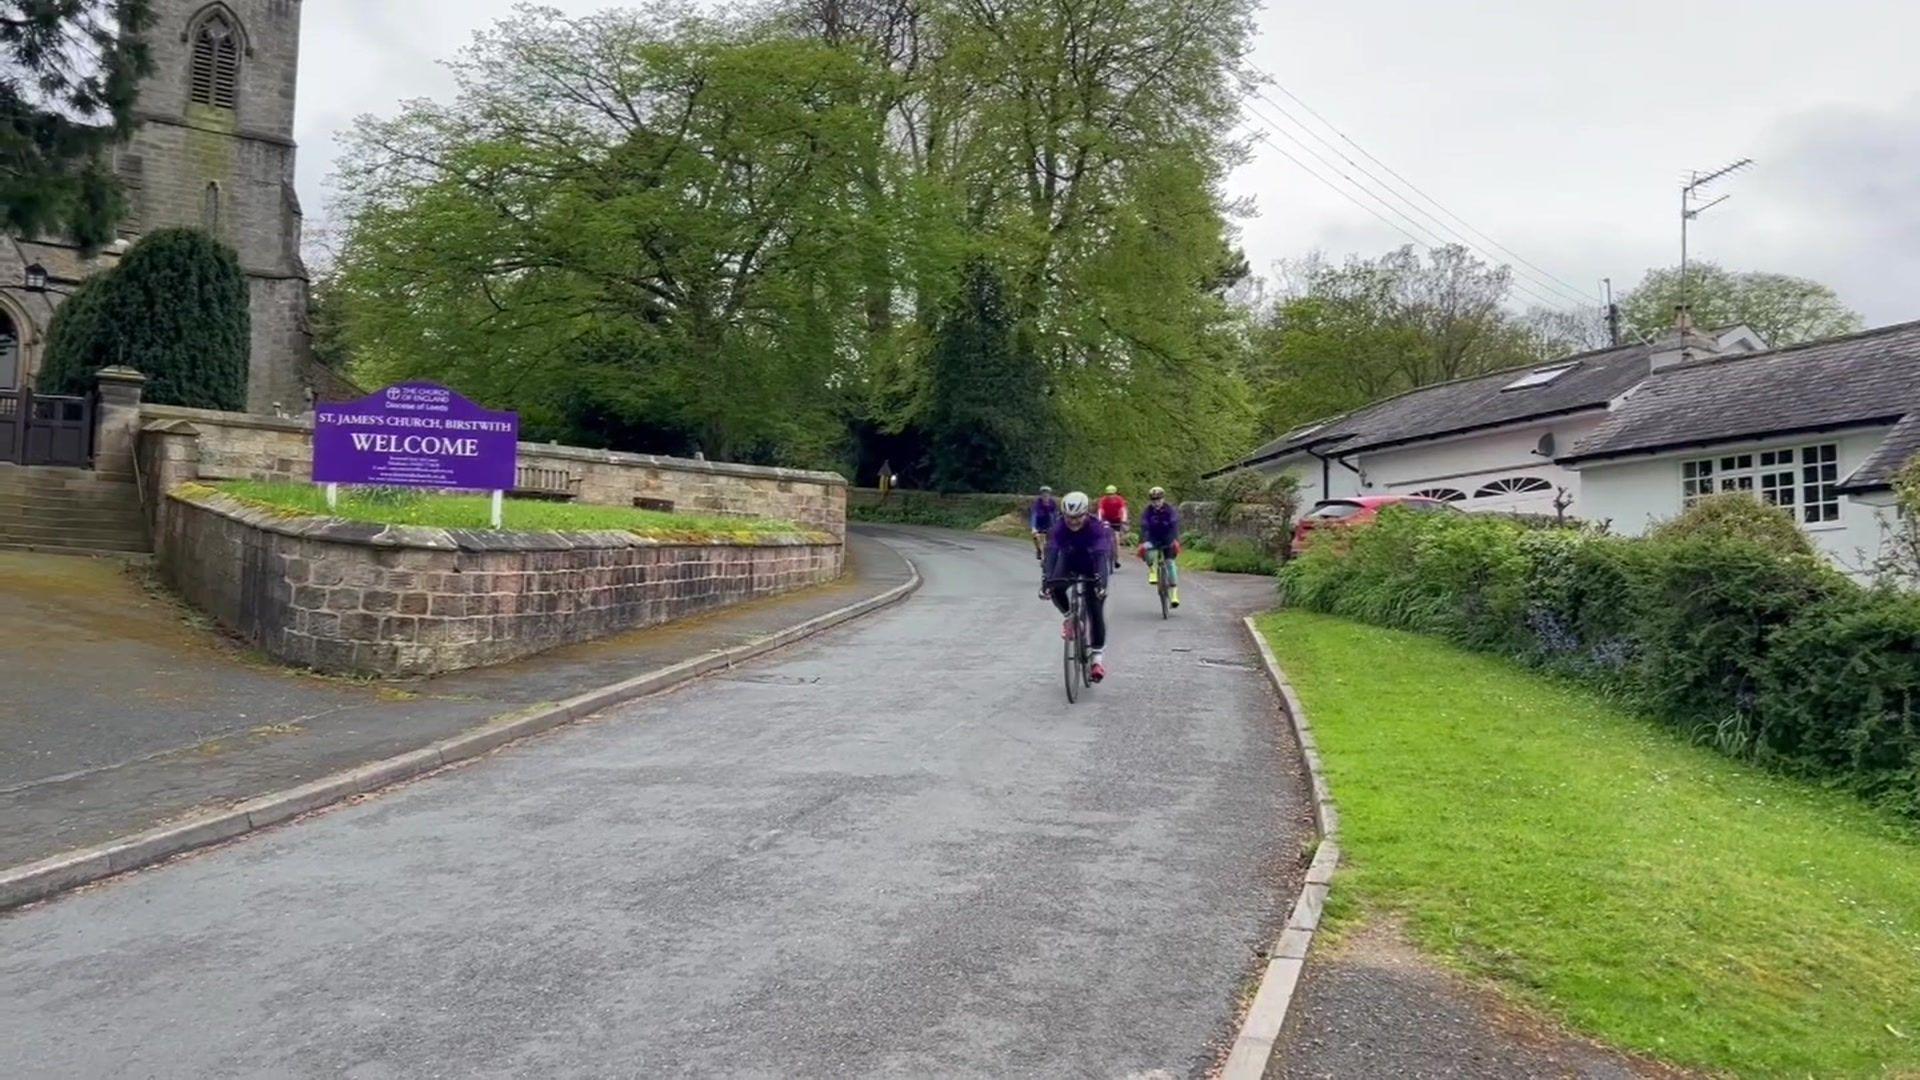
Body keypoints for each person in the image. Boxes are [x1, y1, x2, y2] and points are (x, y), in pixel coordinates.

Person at [1041, 491, 1113, 682]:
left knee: (1095, 607)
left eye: (1078, 517)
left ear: (1086, 514)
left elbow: (1101, 558)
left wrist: (1101, 584)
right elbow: (1052, 554)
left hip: (1092, 566)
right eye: (1069, 518)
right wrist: (1046, 580)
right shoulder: (1058, 528)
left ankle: (1097, 659)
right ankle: (1070, 618)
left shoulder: (1097, 529)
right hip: (1069, 562)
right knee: (1055, 586)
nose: (1073, 522)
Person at [1140, 485, 1181, 608]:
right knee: (1149, 553)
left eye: (1159, 499)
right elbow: (1144, 526)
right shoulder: (1147, 511)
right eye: (1153, 500)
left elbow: (1174, 524)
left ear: (1163, 499)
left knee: (1170, 563)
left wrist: (1174, 540)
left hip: (1168, 538)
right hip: (1153, 538)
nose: (1156, 502)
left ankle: (1174, 594)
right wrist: (1144, 540)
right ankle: (1152, 570)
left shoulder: (1170, 510)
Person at [1096, 485, 1129, 571]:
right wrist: (1100, 520)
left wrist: (1124, 520)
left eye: (1112, 494)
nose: (1110, 496)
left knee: (1116, 539)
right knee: (1103, 535)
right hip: (1106, 520)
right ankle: (1104, 553)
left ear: (1115, 494)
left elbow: (1123, 510)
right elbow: (1100, 511)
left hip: (1117, 520)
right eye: (1108, 494)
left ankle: (1116, 559)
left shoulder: (1119, 500)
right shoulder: (1103, 500)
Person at [1028, 485, 1059, 561]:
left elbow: (1055, 515)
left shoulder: (1052, 503)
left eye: (1047, 493)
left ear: (1050, 495)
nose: (1045, 495)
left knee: (1052, 539)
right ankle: (1038, 550)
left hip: (1049, 524)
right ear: (1041, 495)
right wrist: (1033, 527)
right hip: (1039, 524)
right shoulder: (1037, 503)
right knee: (1035, 536)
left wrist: (1056, 526)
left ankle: (1051, 553)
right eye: (1043, 493)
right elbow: (1034, 515)